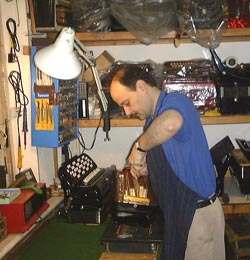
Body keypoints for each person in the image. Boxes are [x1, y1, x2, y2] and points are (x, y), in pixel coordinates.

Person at [109, 65, 225, 260]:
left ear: (141, 87)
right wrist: (147, 168)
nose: (127, 112)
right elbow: (171, 158)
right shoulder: (152, 121)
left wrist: (139, 149)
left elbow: (171, 124)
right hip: (179, 215)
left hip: (198, 218)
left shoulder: (176, 102)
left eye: (127, 103)